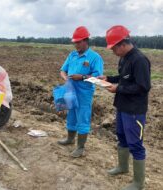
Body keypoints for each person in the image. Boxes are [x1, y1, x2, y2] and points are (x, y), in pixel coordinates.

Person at [99, 25, 151, 190]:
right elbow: (124, 79)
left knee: (135, 144)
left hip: (135, 110)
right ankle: (123, 167)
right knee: (121, 136)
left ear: (122, 44)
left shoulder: (140, 60)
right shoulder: (124, 58)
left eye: (113, 48)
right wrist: (109, 78)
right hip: (122, 106)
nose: (113, 51)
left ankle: (138, 183)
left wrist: (118, 88)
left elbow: (143, 87)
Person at [58, 26, 104, 158]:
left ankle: (80, 147)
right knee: (71, 115)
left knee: (82, 118)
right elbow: (63, 70)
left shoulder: (95, 58)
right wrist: (66, 78)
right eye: (75, 42)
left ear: (85, 41)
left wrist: (82, 77)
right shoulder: (72, 55)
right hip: (71, 90)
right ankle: (70, 139)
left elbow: (98, 78)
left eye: (78, 42)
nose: (76, 45)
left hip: (84, 93)